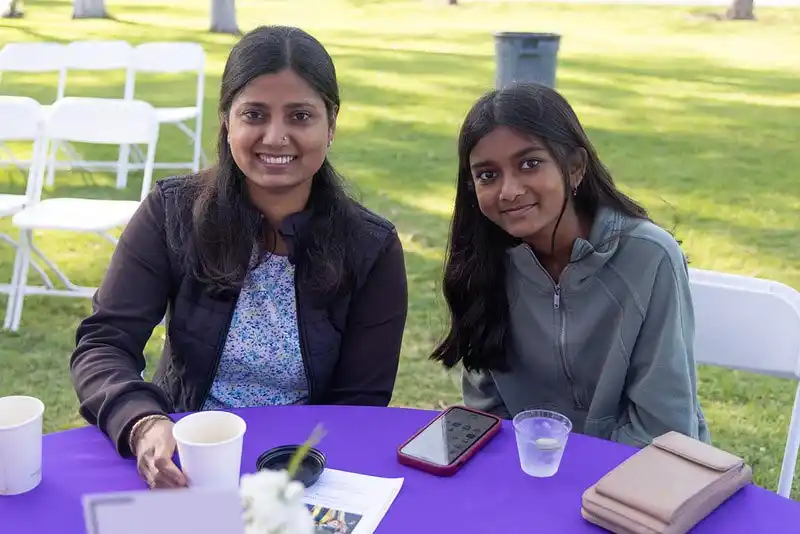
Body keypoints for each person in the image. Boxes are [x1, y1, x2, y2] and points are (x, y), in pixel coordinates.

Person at [70, 25, 408, 489]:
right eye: (254, 114)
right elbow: (104, 342)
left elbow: (359, 401)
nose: (275, 136)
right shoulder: (171, 214)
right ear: (227, 119)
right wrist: (144, 423)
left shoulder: (372, 246)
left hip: (303, 471)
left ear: (331, 124)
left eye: (300, 116)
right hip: (186, 459)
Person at [430, 82, 710, 448]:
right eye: (487, 175)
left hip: (642, 474)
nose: (509, 190)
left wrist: (568, 474)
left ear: (575, 167)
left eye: (530, 164)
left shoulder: (650, 257)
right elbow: (488, 413)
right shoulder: (482, 263)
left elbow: (663, 429)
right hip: (529, 471)